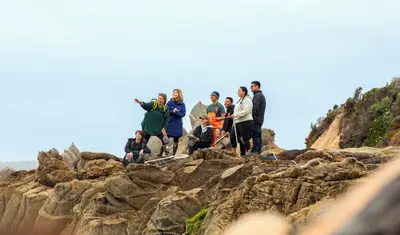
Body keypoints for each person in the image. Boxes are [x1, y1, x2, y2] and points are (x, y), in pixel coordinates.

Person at [135, 93, 169, 157]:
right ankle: (140, 155)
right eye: (159, 98)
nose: (159, 100)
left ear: (164, 100)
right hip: (147, 127)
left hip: (158, 129)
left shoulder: (165, 108)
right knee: (144, 141)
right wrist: (141, 103)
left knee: (165, 140)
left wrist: (164, 128)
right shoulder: (153, 103)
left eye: (161, 99)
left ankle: (165, 153)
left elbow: (166, 119)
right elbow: (146, 105)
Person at [231, 86, 253, 156]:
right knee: (234, 137)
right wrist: (235, 120)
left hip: (245, 121)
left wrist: (236, 115)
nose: (238, 92)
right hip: (238, 122)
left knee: (244, 138)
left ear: (244, 92)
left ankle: (248, 153)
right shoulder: (239, 100)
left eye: (239, 90)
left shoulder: (247, 100)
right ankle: (240, 154)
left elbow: (246, 110)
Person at [166, 89, 186, 156]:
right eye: (173, 92)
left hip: (177, 124)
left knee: (176, 139)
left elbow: (183, 114)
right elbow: (166, 111)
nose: (174, 94)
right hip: (169, 123)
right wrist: (172, 111)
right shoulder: (169, 103)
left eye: (176, 93)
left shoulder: (182, 104)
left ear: (179, 94)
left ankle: (173, 155)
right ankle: (164, 153)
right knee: (165, 138)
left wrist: (176, 112)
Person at [250, 81, 266, 154]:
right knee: (258, 135)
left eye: (252, 86)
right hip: (259, 119)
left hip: (256, 119)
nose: (251, 88)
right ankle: (258, 151)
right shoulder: (259, 95)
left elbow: (255, 108)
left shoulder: (258, 95)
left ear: (257, 86)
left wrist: (252, 116)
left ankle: (255, 151)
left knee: (256, 135)